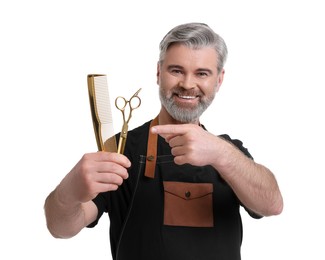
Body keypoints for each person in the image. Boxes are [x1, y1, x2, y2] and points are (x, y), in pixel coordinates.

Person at [44, 22, 283, 260]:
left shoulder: (231, 153)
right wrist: (70, 190)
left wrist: (221, 154)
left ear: (219, 80)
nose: (188, 84)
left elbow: (272, 204)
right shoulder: (122, 149)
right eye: (176, 70)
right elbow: (60, 228)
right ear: (159, 73)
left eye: (202, 73)